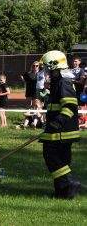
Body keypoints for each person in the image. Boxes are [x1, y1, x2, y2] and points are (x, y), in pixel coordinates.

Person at [39, 50, 80, 199]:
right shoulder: (59, 82)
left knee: (51, 157)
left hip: (61, 131)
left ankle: (70, 183)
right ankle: (62, 192)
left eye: (47, 68)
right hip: (57, 129)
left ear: (54, 67)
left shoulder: (64, 82)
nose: (46, 71)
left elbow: (70, 107)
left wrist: (57, 123)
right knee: (62, 160)